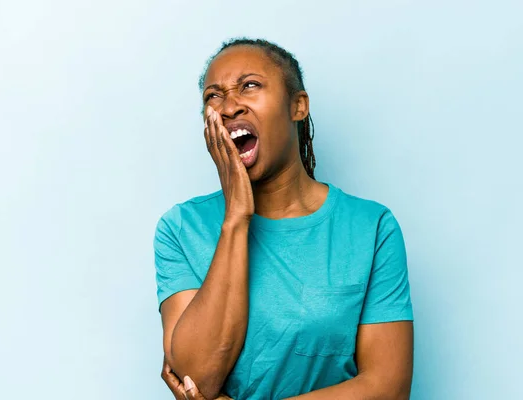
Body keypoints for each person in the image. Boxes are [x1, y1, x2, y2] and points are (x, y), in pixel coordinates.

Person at [153, 38, 414, 400]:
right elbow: (196, 379)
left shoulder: (371, 228)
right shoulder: (181, 229)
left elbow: (389, 387)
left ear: (298, 106)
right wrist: (236, 219)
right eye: (213, 96)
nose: (228, 107)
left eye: (249, 86)